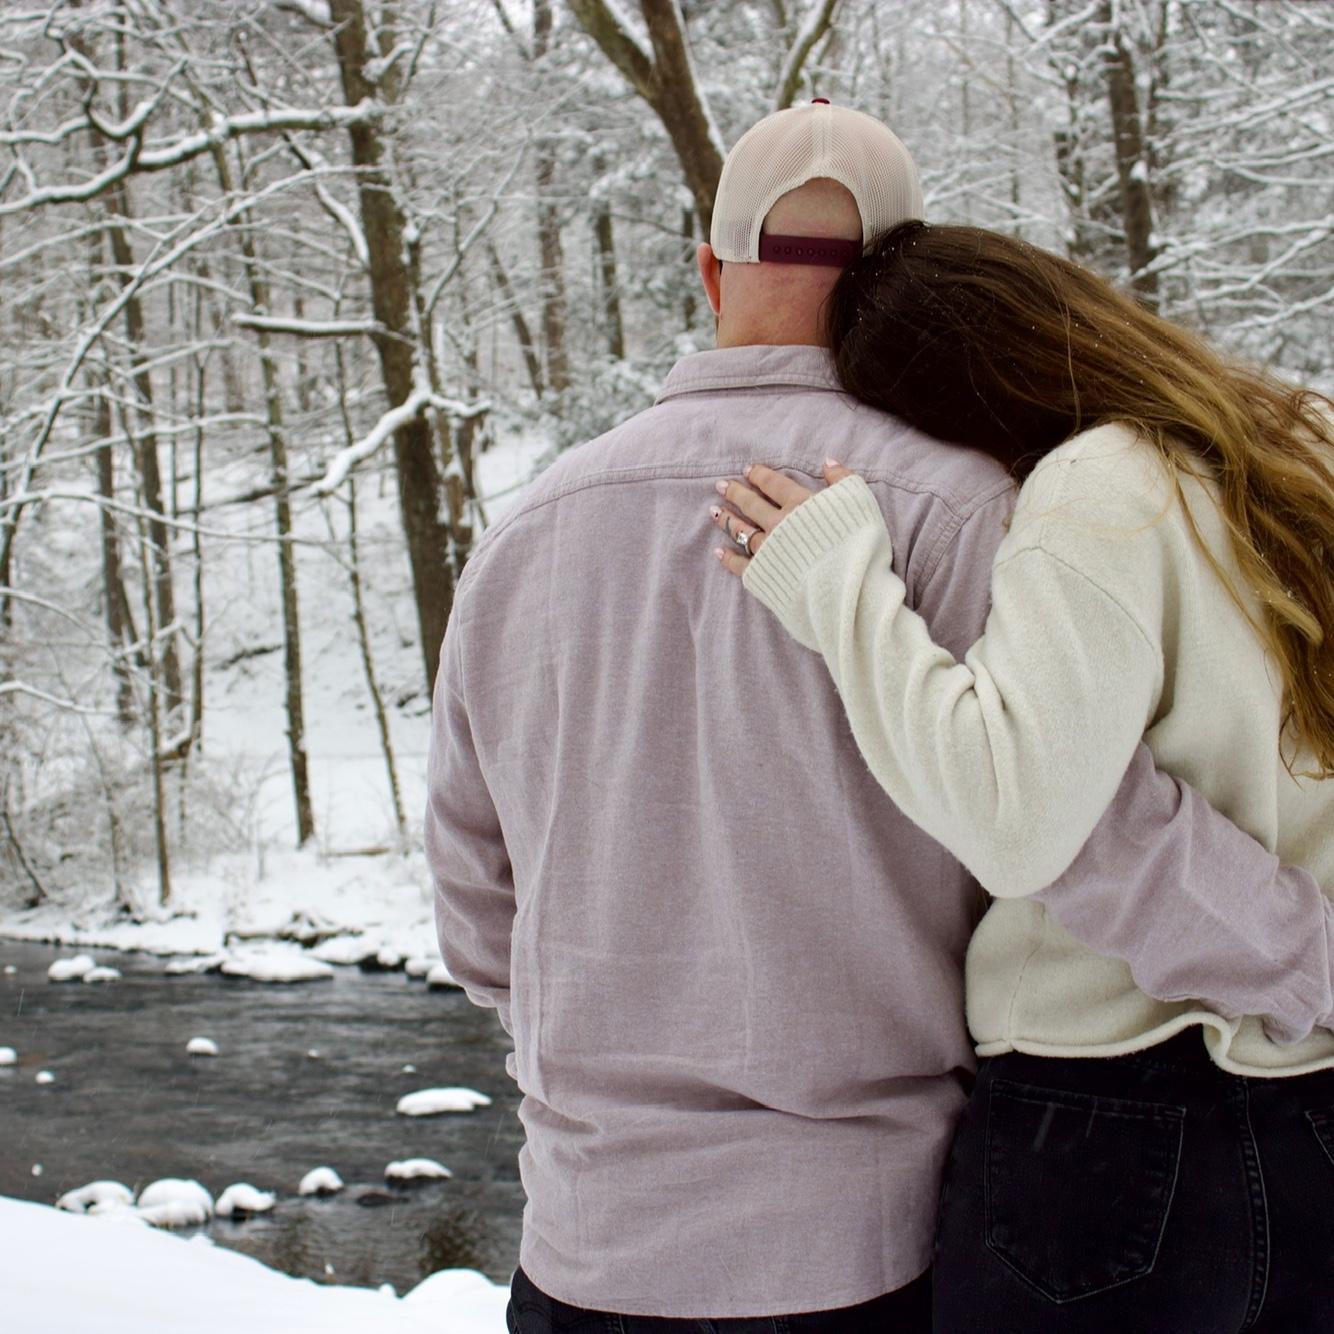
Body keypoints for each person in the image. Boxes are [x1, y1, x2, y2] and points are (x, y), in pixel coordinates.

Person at [426, 103, 1332, 1331]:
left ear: (707, 270)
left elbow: (479, 917)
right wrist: (1304, 961)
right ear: (898, 276)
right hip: (859, 1248)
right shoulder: (961, 511)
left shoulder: (522, 536)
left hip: (586, 1245)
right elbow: (1089, 841)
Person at [711, 219, 1334, 1331]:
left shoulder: (1097, 484)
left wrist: (841, 586)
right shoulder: (1297, 438)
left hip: (1113, 1116)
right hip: (1311, 1110)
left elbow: (1014, 815)